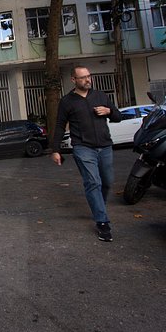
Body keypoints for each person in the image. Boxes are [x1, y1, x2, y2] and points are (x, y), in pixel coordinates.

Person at [50, 66, 122, 242]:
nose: (87, 80)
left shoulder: (101, 96)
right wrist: (55, 149)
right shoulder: (67, 101)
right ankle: (102, 223)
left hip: (105, 146)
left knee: (107, 182)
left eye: (89, 76)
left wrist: (109, 111)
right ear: (73, 80)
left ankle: (99, 207)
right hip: (83, 148)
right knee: (93, 182)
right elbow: (59, 125)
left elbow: (118, 116)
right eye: (83, 78)